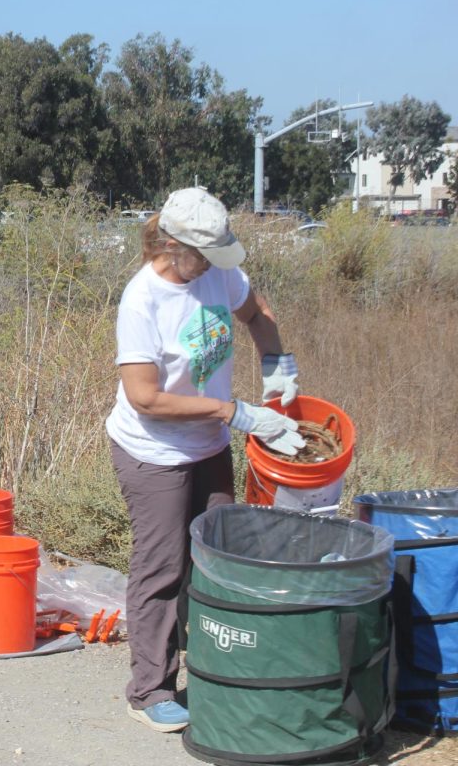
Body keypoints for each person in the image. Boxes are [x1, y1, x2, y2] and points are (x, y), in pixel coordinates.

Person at [104, 187, 305, 733]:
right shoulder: (142, 300)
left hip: (208, 444)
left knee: (218, 556)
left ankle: (219, 668)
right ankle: (149, 688)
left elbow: (258, 311)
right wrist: (233, 411)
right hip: (153, 451)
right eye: (205, 254)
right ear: (172, 245)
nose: (215, 265)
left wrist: (277, 362)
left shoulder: (216, 273)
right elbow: (146, 396)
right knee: (163, 566)